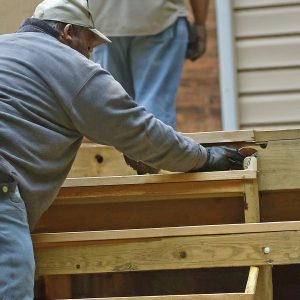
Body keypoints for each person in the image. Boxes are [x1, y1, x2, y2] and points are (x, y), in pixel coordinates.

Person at [0, 0, 245, 298]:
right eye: (90, 47)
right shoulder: (74, 69)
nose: (91, 57)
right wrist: (205, 158)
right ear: (68, 32)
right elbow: (143, 133)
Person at [89, 0, 209, 129]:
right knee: (155, 108)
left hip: (103, 18)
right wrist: (200, 23)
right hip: (159, 16)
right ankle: (156, 148)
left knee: (116, 110)